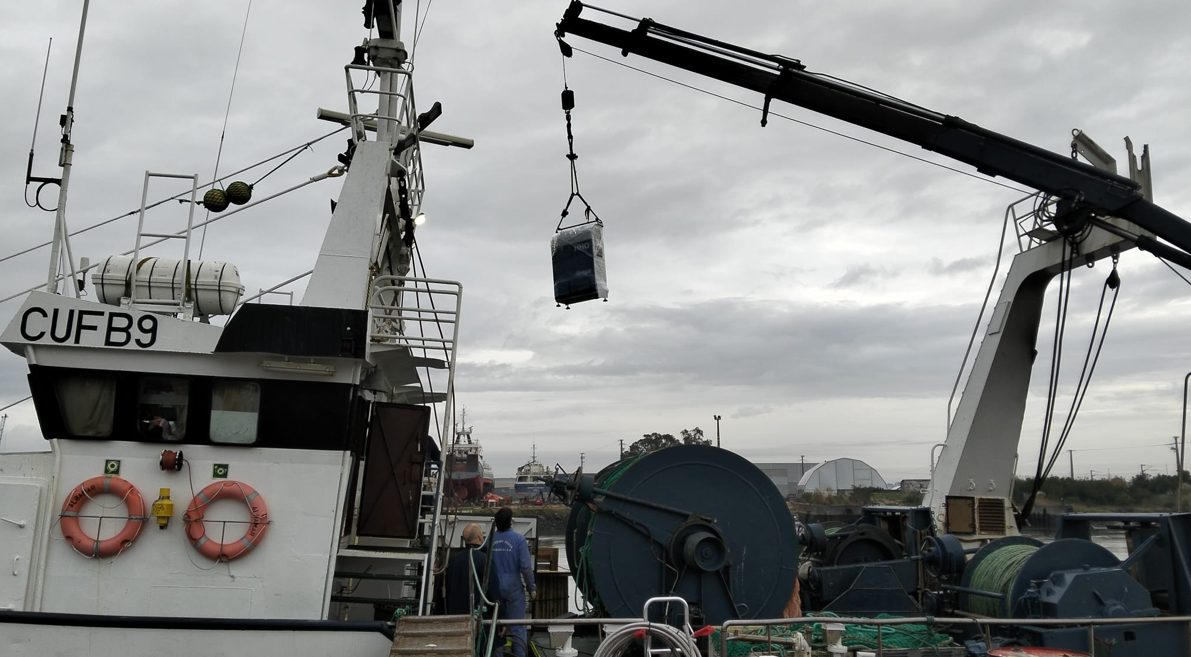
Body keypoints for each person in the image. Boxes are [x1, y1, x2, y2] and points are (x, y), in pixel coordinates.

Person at [490, 507, 536, 657]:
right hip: (513, 587)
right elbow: (526, 567)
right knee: (517, 626)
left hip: (494, 587)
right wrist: (531, 587)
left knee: (494, 626)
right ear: (511, 521)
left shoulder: (489, 539)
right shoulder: (519, 539)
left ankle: (497, 654)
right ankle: (520, 654)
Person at [443, 523, 501, 622]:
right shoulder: (484, 560)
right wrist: (500, 616)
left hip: (456, 615)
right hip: (479, 616)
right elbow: (493, 589)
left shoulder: (454, 560)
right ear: (479, 536)